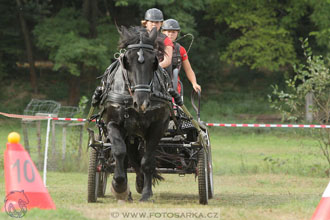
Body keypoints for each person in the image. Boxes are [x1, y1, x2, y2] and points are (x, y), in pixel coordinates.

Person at [162, 19, 201, 94]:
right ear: (163, 32)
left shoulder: (180, 49)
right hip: (156, 85)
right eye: (168, 31)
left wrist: (194, 83)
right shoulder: (156, 46)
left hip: (174, 87)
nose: (171, 34)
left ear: (177, 33)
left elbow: (188, 69)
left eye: (173, 32)